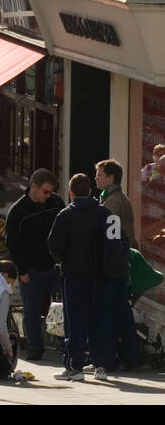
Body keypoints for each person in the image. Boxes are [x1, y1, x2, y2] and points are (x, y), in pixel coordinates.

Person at [48, 173, 117, 381]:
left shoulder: (65, 215)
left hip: (75, 276)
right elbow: (115, 243)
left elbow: (54, 246)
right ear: (90, 191)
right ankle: (101, 366)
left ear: (70, 193)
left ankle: (75, 366)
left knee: (75, 321)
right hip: (102, 277)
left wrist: (65, 261)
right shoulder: (106, 214)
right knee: (100, 320)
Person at [4, 168, 63, 361]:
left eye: (51, 192)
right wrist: (22, 269)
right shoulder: (18, 211)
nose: (49, 196)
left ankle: (66, 345)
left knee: (64, 307)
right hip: (32, 269)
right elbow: (12, 243)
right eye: (45, 192)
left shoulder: (56, 203)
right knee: (31, 310)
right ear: (33, 187)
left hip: (55, 266)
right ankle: (34, 347)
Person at [94, 158, 139, 371]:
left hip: (113, 267)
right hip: (120, 265)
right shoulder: (116, 198)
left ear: (110, 177)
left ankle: (114, 358)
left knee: (111, 314)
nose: (96, 178)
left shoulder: (112, 203)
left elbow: (110, 238)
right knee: (122, 313)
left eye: (99, 175)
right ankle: (131, 357)